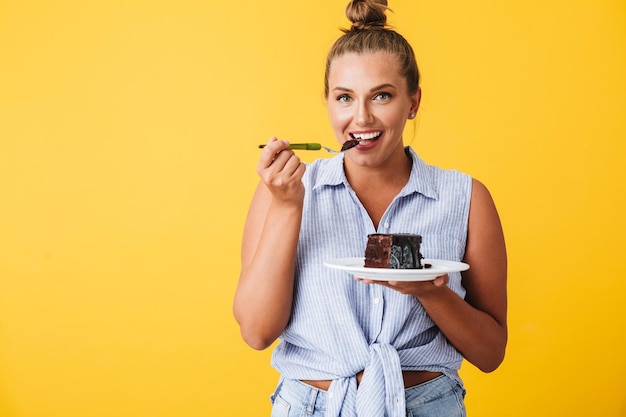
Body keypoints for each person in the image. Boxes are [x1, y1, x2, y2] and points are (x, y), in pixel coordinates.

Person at [233, 0, 507, 415]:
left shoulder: (465, 198)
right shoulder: (285, 190)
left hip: (428, 405)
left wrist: (430, 293)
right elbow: (255, 332)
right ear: (327, 101)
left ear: (413, 102)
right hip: (309, 406)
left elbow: (491, 354)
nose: (361, 118)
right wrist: (289, 208)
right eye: (345, 98)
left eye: (381, 96)